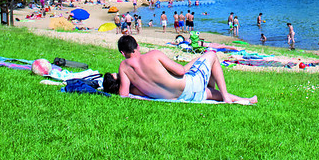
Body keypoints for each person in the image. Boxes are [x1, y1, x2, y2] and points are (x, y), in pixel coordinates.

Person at [103, 35, 256, 104]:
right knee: (212, 55)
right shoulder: (153, 55)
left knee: (211, 93)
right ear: (137, 47)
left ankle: (245, 100)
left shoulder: (124, 67)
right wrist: (193, 61)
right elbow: (181, 71)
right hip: (190, 86)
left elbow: (123, 94)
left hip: (185, 97)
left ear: (123, 53)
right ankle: (227, 97)